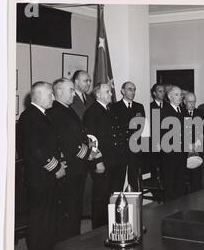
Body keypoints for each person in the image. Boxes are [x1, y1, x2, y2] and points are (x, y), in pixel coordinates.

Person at [17, 81, 66, 250]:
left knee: (47, 218)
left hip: (46, 177)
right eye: (49, 94)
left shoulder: (41, 115)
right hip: (39, 178)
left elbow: (48, 145)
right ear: (37, 95)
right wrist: (56, 168)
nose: (52, 97)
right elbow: (35, 150)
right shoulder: (30, 116)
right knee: (39, 220)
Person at [47, 78, 91, 241]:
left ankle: (74, 239)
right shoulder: (55, 111)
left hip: (78, 166)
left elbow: (81, 134)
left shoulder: (68, 109)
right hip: (70, 167)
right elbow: (68, 143)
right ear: (58, 91)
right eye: (71, 90)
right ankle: (68, 243)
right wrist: (87, 155)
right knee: (68, 209)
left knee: (75, 208)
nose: (74, 93)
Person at [83, 83, 124, 229]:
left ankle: (113, 225)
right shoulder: (92, 112)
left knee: (115, 196)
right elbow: (91, 140)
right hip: (104, 162)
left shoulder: (110, 109)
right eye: (107, 92)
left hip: (117, 161)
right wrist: (97, 162)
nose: (111, 94)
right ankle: (99, 229)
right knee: (101, 198)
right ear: (98, 94)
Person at [111, 81, 146, 191]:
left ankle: (135, 206)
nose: (133, 92)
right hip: (121, 149)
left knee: (134, 179)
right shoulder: (114, 107)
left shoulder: (139, 107)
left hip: (135, 148)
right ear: (122, 91)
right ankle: (118, 205)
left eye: (134, 89)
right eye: (130, 89)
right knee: (118, 179)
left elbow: (142, 128)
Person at [160, 86, 188, 201]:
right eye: (176, 94)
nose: (180, 97)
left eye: (181, 94)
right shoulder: (164, 111)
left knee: (180, 182)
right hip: (170, 153)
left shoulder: (183, 110)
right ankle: (169, 210)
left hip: (182, 152)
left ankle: (179, 209)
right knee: (170, 183)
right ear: (170, 97)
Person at [183, 92, 204, 193]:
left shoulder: (200, 113)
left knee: (197, 177)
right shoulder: (181, 113)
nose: (192, 104)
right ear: (184, 102)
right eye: (190, 102)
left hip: (197, 148)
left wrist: (197, 144)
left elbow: (203, 131)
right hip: (184, 149)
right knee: (185, 177)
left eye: (194, 102)